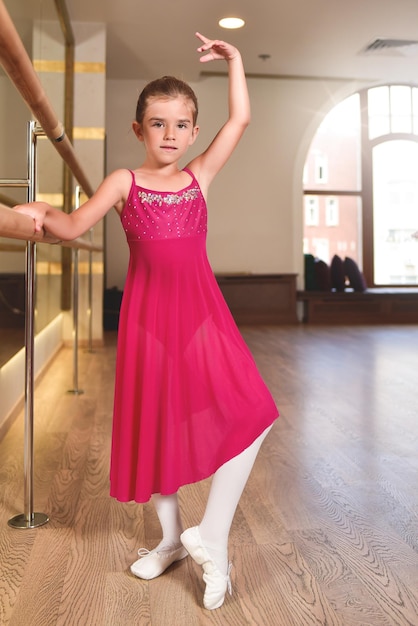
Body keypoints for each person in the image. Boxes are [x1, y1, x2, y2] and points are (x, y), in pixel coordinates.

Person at [15, 32, 278, 611]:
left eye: (181, 125)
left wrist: (235, 59)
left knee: (254, 416)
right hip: (147, 323)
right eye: (157, 124)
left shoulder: (199, 177)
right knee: (160, 428)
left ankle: (210, 534)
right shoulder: (123, 182)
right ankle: (170, 541)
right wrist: (37, 213)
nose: (169, 135)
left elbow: (239, 120)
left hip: (203, 317)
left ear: (193, 131)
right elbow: (73, 226)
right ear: (139, 130)